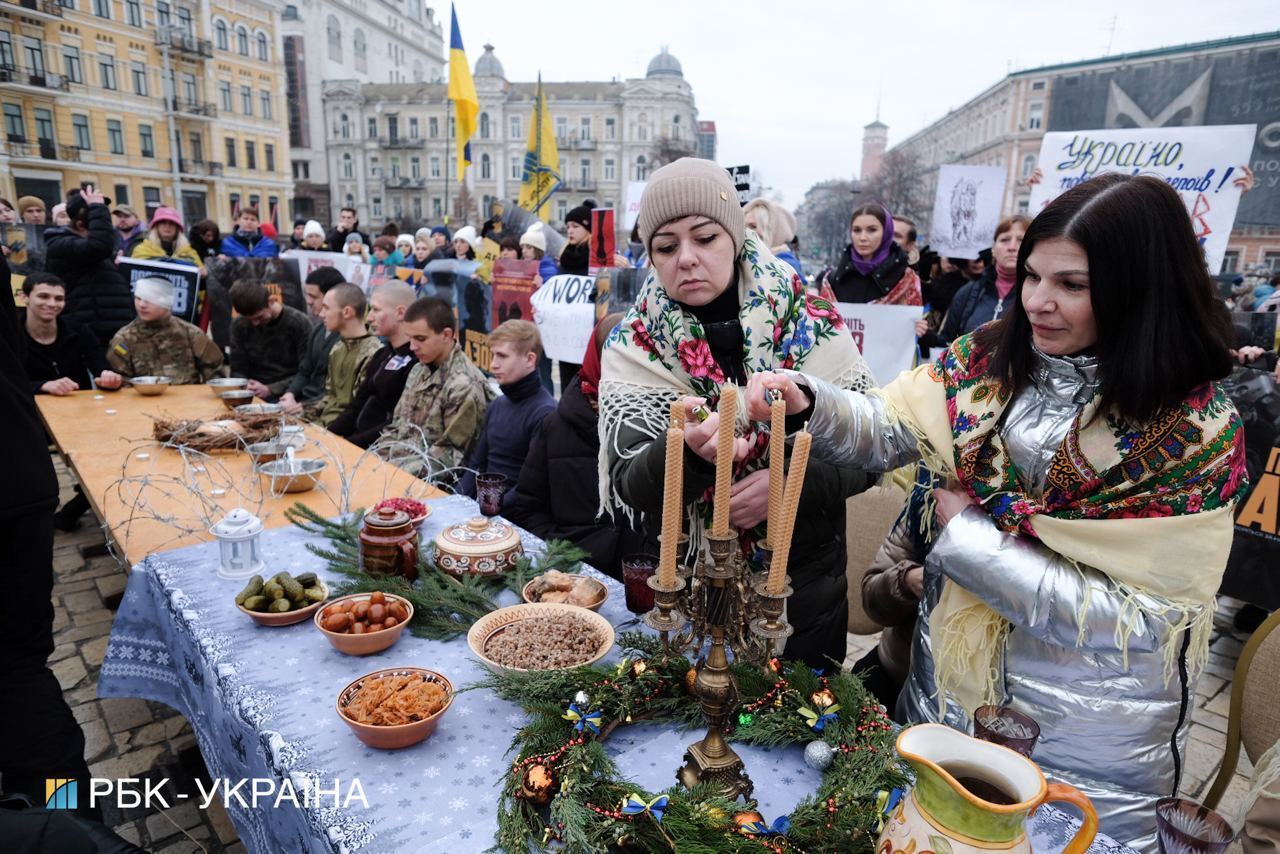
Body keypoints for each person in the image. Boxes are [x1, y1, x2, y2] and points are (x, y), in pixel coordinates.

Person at [747, 173, 1248, 849]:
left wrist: (966, 539)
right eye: (1034, 275)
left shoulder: (1194, 429)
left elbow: (1136, 621)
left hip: (1091, 742)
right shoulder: (990, 357)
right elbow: (892, 423)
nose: (1038, 301)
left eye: (1072, 285)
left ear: (1143, 286)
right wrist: (809, 399)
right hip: (946, 697)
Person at [600, 157, 874, 669]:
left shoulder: (809, 323)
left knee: (795, 735)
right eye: (666, 246)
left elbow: (869, 451)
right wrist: (688, 454)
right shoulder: (634, 345)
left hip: (801, 596)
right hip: (685, 599)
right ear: (651, 258)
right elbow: (628, 483)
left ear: (736, 237)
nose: (686, 258)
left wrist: (785, 483)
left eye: (704, 238)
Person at [0, 254, 111, 832]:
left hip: (13, 491)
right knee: (22, 675)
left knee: (19, 677)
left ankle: (72, 826)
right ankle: (74, 825)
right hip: (18, 478)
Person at [509, 314, 652, 578]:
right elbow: (529, 508)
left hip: (645, 582)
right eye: (617, 358)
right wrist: (566, 558)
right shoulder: (555, 427)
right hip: (572, 577)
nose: (627, 370)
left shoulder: (664, 423)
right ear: (599, 358)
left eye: (637, 359)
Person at [377, 296, 492, 482]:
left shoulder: (463, 384)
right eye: (410, 338)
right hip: (397, 470)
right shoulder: (419, 369)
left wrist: (393, 472)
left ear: (447, 335)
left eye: (420, 339)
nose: (412, 347)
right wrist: (375, 460)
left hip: (431, 485)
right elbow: (397, 427)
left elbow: (452, 457)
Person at [457, 320, 556, 501]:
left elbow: (532, 485)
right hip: (486, 504)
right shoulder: (497, 405)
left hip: (516, 516)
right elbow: (476, 465)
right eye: (493, 355)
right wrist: (454, 502)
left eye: (502, 356)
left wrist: (491, 510)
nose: (493, 364)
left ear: (529, 359)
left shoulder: (545, 412)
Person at [329, 282, 418, 447]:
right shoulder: (382, 354)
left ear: (400, 313)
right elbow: (356, 406)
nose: (369, 317)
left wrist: (350, 445)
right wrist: (327, 436)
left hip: (383, 449)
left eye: (376, 310)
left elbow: (396, 424)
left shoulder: (416, 363)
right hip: (356, 441)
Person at [43, 189, 135, 347]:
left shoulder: (90, 247)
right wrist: (97, 209)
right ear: (80, 225)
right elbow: (99, 246)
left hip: (114, 328)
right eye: (97, 218)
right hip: (91, 332)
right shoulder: (60, 244)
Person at [930, 216, 1030, 347]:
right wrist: (926, 336)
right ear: (993, 249)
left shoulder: (1039, 295)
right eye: (1005, 240)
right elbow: (947, 343)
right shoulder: (968, 292)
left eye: (1021, 240)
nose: (1012, 247)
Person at [20, 273, 122, 395]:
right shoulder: (9, 335)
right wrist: (42, 386)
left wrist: (109, 379)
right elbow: (6, 381)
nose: (52, 304)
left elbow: (100, 367)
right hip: (27, 408)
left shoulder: (79, 331)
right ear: (24, 297)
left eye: (59, 299)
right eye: (43, 296)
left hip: (78, 406)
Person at [106, 277, 224, 383]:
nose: (141, 305)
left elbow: (215, 372)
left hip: (187, 403)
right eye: (138, 298)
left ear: (167, 301)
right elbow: (119, 381)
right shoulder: (124, 340)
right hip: (142, 404)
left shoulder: (190, 334)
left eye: (149, 299)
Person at [818, 202, 921, 305]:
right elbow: (821, 318)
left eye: (872, 230)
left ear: (886, 233)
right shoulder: (834, 280)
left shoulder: (906, 280)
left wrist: (919, 321)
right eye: (857, 230)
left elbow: (912, 315)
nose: (862, 238)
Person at [227, 277, 312, 400]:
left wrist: (271, 389)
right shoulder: (240, 324)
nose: (255, 323)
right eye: (250, 319)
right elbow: (238, 367)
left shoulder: (299, 323)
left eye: (259, 317)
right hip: (252, 391)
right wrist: (245, 385)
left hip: (290, 392)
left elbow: (307, 371)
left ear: (271, 301)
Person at [311, 283, 381, 426]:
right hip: (323, 424)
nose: (320, 313)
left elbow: (356, 409)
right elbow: (330, 397)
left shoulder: (373, 353)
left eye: (326, 308)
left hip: (341, 431)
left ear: (347, 312)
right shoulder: (338, 348)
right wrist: (303, 418)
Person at [278, 267, 344, 416]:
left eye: (313, 297)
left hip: (321, 408)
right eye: (307, 295)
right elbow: (305, 370)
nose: (308, 302)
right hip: (302, 400)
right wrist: (290, 393)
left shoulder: (346, 337)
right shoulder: (318, 329)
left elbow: (336, 392)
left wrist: (303, 406)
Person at [743, 198, 803, 279]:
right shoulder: (749, 258)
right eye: (744, 226)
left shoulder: (786, 266)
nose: (746, 231)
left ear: (774, 232)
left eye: (753, 226)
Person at [129, 207, 203, 269]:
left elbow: (200, 275)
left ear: (177, 228)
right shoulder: (141, 250)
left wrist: (202, 273)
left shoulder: (190, 252)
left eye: (172, 223)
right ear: (156, 226)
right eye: (163, 222)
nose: (167, 226)